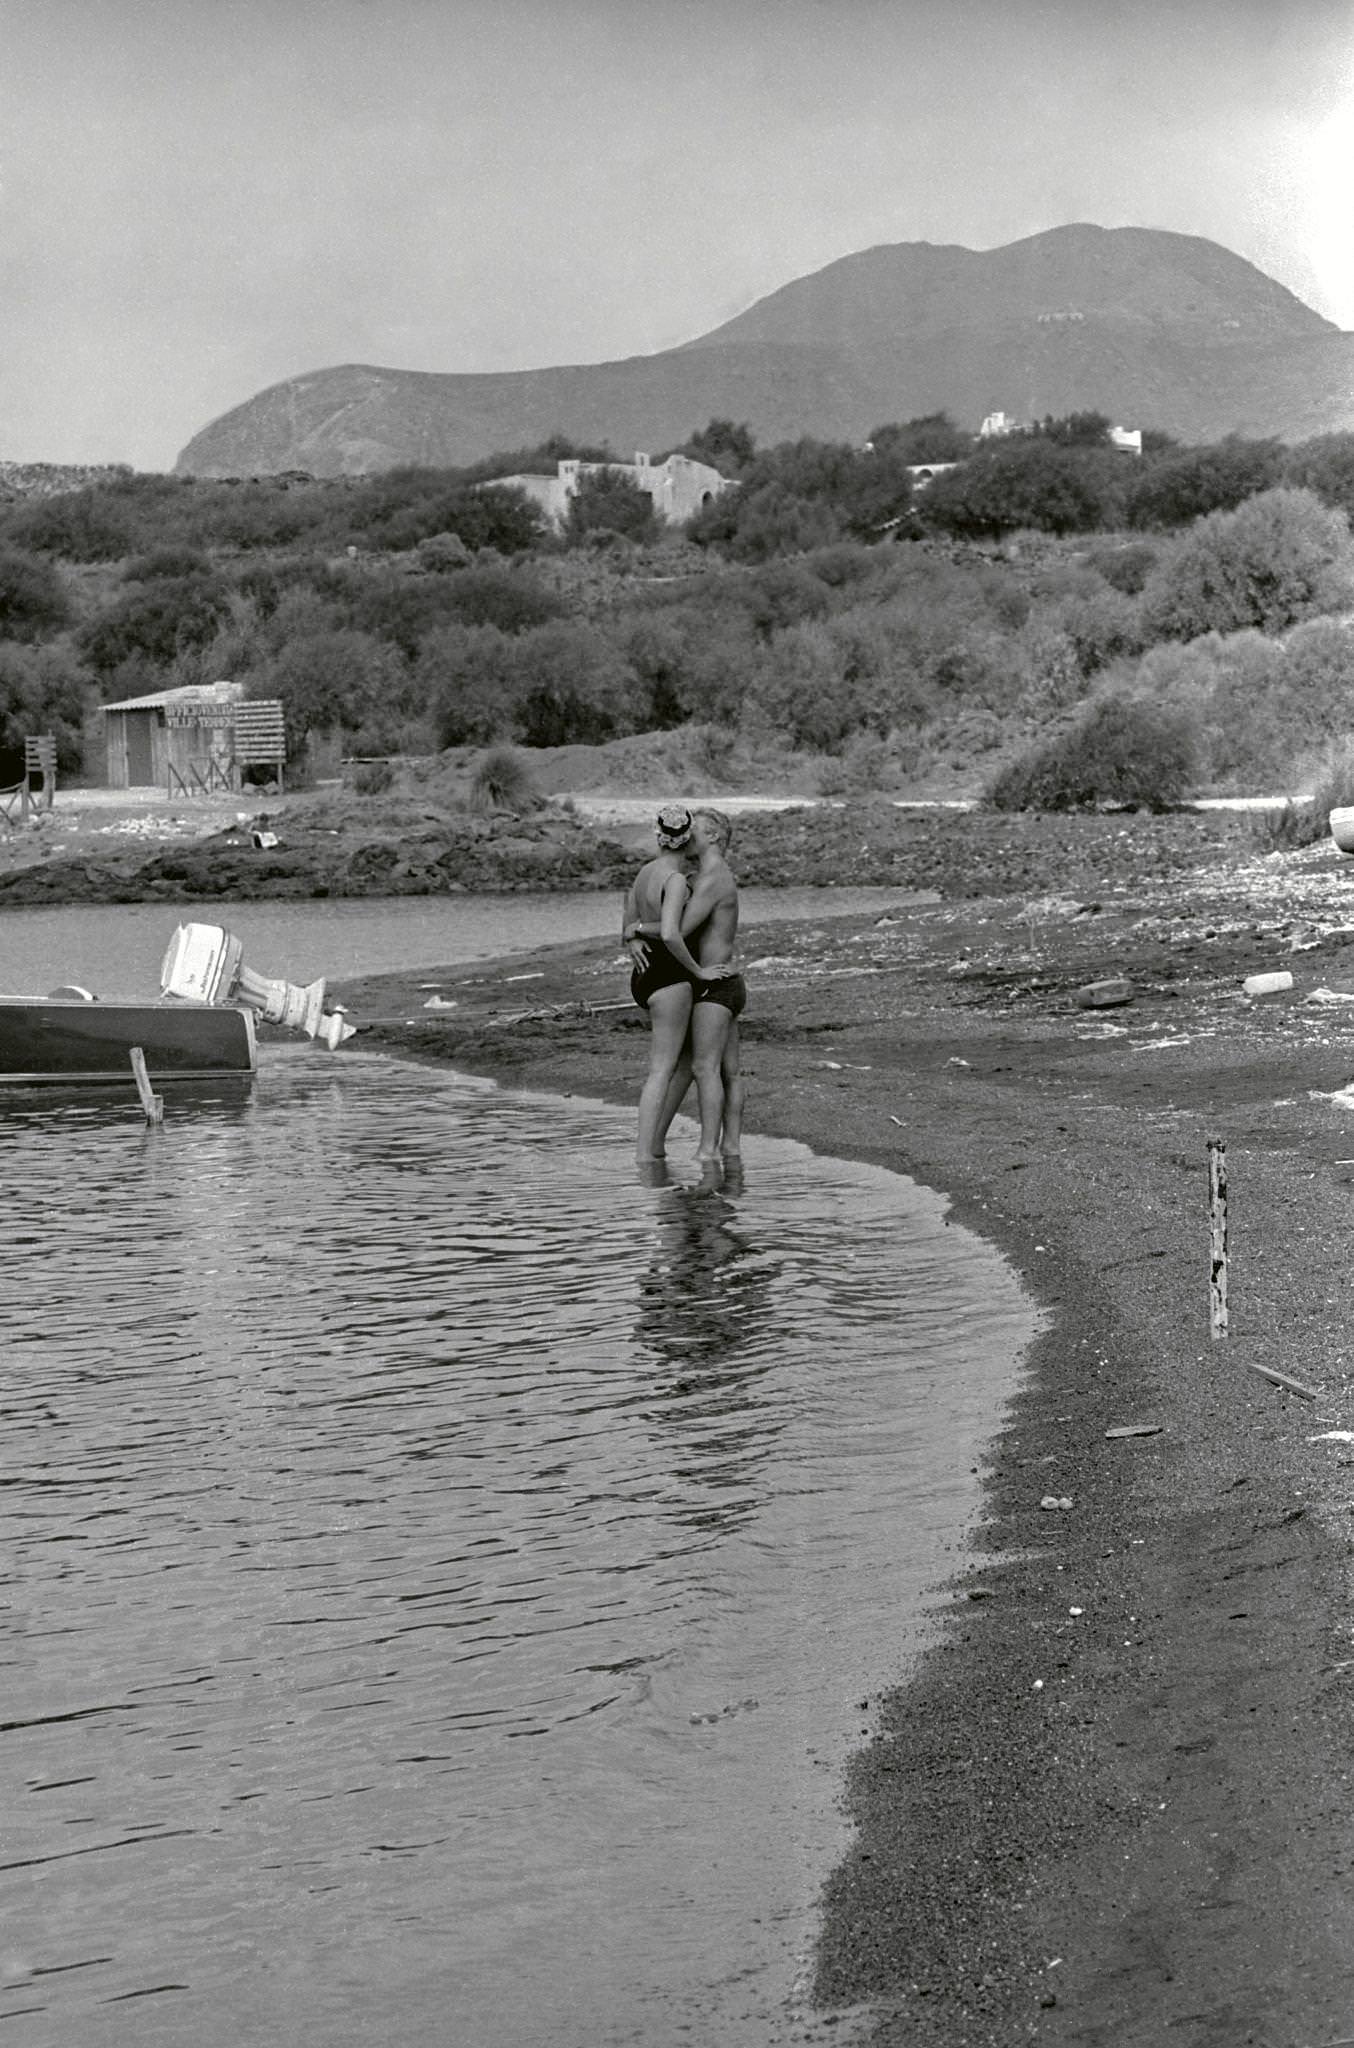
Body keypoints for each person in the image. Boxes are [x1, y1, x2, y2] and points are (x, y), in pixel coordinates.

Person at [626, 807, 745, 1165]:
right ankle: (724, 1150)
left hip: (714, 982)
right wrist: (634, 932)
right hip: (713, 980)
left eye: (697, 830)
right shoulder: (696, 876)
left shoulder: (712, 878)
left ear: (714, 836)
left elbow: (677, 929)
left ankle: (709, 1150)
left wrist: (634, 929)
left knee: (707, 1069)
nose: (688, 835)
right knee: (717, 1069)